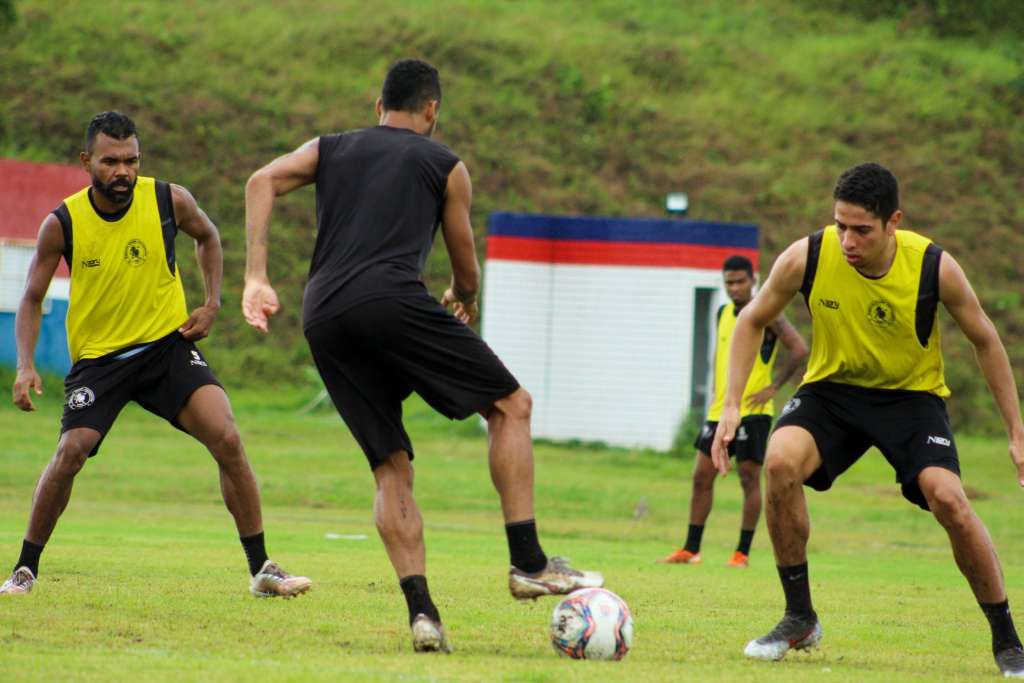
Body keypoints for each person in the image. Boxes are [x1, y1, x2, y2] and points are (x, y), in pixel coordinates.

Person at [242, 58, 602, 653]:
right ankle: (529, 561)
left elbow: (261, 180)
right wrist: (464, 298)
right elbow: (466, 270)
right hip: (391, 301)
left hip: (324, 314)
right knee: (511, 405)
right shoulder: (444, 165)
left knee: (391, 466)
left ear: (376, 105)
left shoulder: (331, 147)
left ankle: (424, 614)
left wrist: (257, 277)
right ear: (432, 109)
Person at [711, 162, 1024, 676]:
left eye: (861, 230)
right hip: (833, 392)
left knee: (948, 498)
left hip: (910, 399)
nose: (848, 240)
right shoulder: (808, 256)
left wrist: (1015, 432)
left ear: (893, 222)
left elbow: (985, 340)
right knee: (779, 463)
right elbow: (752, 319)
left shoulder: (933, 267)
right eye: (840, 226)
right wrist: (730, 404)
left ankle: (1007, 638)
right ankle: (799, 617)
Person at [3, 112, 310, 600]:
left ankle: (262, 569)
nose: (122, 171)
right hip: (101, 362)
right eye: (110, 162)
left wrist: (212, 304)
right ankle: (24, 569)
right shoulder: (62, 223)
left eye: (131, 160)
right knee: (71, 452)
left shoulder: (169, 199)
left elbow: (208, 237)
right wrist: (24, 365)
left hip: (166, 349)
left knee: (227, 436)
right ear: (87, 162)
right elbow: (31, 299)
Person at [660, 255, 806, 568]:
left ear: (753, 280)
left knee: (748, 479)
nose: (735, 288)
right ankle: (691, 549)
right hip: (719, 411)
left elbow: (799, 348)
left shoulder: (767, 313)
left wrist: (773, 387)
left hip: (753, 412)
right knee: (701, 476)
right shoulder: (723, 312)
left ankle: (742, 553)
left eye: (740, 282)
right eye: (729, 283)